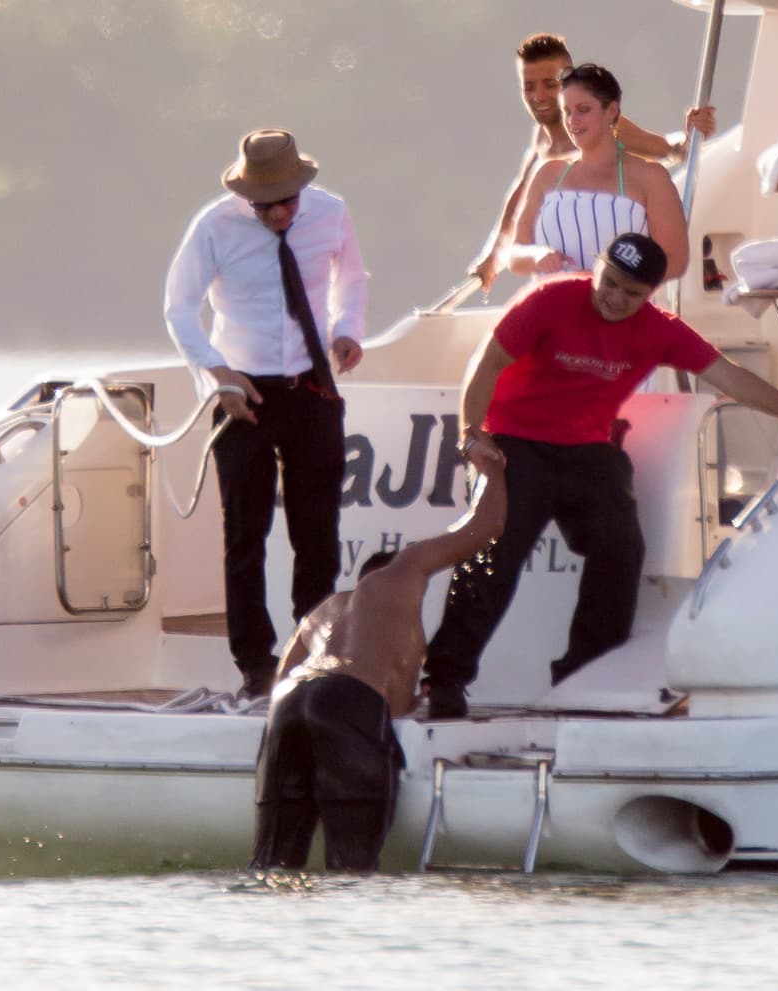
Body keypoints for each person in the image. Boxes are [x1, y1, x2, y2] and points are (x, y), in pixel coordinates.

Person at [423, 233, 778, 719]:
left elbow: (730, 377)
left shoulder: (660, 329)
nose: (615, 298)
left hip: (587, 450)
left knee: (621, 548)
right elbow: (488, 363)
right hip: (515, 445)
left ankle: (585, 678)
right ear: (597, 270)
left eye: (632, 293)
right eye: (610, 283)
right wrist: (471, 435)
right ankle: (445, 679)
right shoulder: (551, 300)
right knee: (496, 553)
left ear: (650, 295)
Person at [164, 129, 368, 698]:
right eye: (265, 205)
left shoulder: (331, 213)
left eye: (287, 201)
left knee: (317, 531)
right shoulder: (214, 225)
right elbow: (178, 307)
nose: (279, 212)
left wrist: (348, 329)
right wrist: (216, 374)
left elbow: (350, 278)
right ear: (247, 197)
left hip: (310, 386)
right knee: (245, 534)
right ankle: (255, 662)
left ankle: (314, 647)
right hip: (243, 390)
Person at [250, 446, 508, 871]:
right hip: (347, 699)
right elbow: (486, 527)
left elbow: (282, 682)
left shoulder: (322, 611)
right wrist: (492, 468)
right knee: (353, 873)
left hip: (288, 705)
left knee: (271, 869)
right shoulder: (401, 572)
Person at [469, 33, 715, 292]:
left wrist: (692, 134)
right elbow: (517, 201)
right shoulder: (542, 139)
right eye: (529, 86)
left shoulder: (605, 127)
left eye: (549, 84)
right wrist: (491, 258)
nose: (538, 96)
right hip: (555, 287)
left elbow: (670, 150)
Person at [509, 63, 688, 280]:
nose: (572, 120)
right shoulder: (547, 174)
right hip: (552, 308)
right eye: (566, 111)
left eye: (583, 110)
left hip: (619, 309)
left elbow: (676, 260)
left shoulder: (650, 177)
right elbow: (515, 253)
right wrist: (537, 255)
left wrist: (620, 282)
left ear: (611, 111)